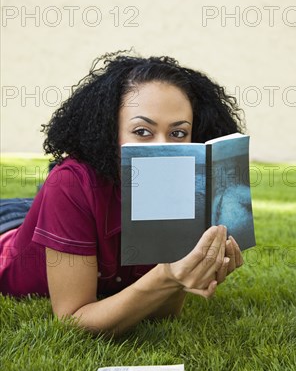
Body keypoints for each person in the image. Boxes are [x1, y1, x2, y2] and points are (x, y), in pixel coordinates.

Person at [0, 50, 246, 337]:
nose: (162, 148)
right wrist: (168, 274)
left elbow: (164, 313)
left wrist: (190, 272)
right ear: (109, 130)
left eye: (178, 133)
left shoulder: (184, 183)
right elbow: (72, 322)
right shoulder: (69, 183)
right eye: (142, 131)